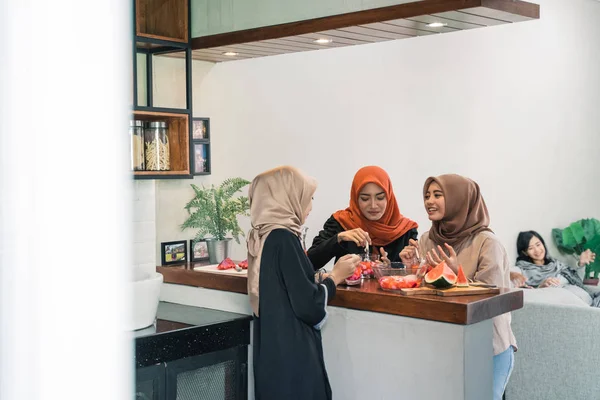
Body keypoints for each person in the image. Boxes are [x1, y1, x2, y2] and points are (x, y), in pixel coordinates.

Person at [247, 166, 361, 400]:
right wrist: (335, 277)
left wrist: (316, 277)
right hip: (293, 354)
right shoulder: (285, 239)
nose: (309, 208)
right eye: (307, 199)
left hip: (272, 352)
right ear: (288, 199)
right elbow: (309, 306)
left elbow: (286, 281)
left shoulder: (264, 235)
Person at [400, 174, 517, 400]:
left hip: (488, 346)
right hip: (444, 343)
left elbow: (493, 297)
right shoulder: (427, 240)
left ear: (459, 199)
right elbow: (428, 290)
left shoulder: (487, 243)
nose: (429, 201)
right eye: (426, 195)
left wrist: (457, 274)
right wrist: (411, 268)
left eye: (437, 195)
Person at [307, 166, 418, 269]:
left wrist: (390, 269)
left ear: (389, 198)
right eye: (365, 199)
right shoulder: (342, 222)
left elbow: (413, 274)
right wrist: (338, 238)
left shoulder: (405, 230)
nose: (373, 205)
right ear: (355, 198)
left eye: (380, 198)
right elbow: (310, 262)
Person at [512, 230, 599, 306]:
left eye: (538, 244)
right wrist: (541, 286)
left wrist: (580, 263)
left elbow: (575, 279)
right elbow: (530, 293)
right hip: (569, 303)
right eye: (531, 248)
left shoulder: (555, 263)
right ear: (525, 252)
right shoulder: (524, 270)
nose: (537, 250)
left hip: (586, 298)